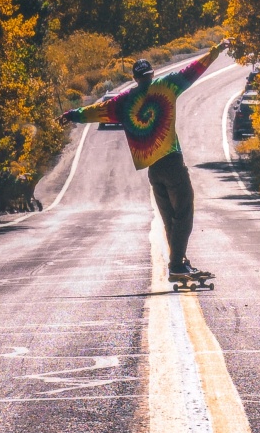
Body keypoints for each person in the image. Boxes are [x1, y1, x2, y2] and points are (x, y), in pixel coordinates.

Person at [60, 42, 226, 280]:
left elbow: (97, 110)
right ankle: (177, 265)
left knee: (169, 218)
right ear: (152, 74)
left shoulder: (123, 102)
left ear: (135, 78)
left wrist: (72, 114)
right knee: (185, 211)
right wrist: (215, 51)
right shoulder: (166, 86)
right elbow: (193, 69)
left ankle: (178, 263)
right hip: (172, 162)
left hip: (153, 170)